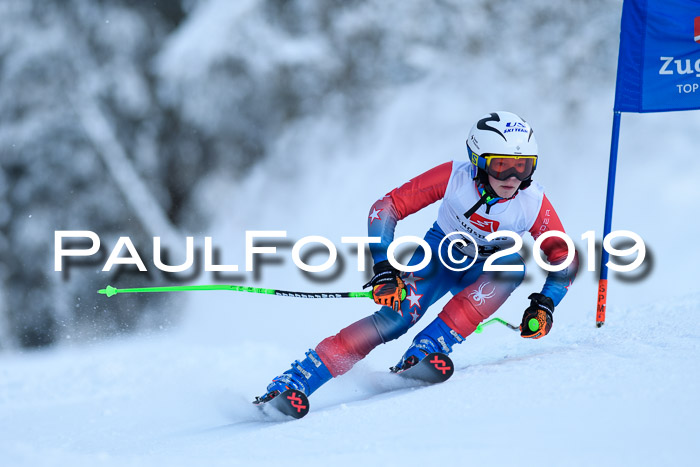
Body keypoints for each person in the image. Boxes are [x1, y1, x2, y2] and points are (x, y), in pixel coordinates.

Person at [255, 111, 579, 403]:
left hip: (485, 272)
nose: (512, 177)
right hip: (437, 259)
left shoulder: (532, 202)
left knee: (512, 267)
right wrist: (384, 269)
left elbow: (563, 256)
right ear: (478, 160)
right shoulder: (455, 177)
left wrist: (545, 304)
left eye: (523, 166)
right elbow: (386, 207)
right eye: (501, 165)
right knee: (394, 320)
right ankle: (295, 381)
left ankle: (429, 348)